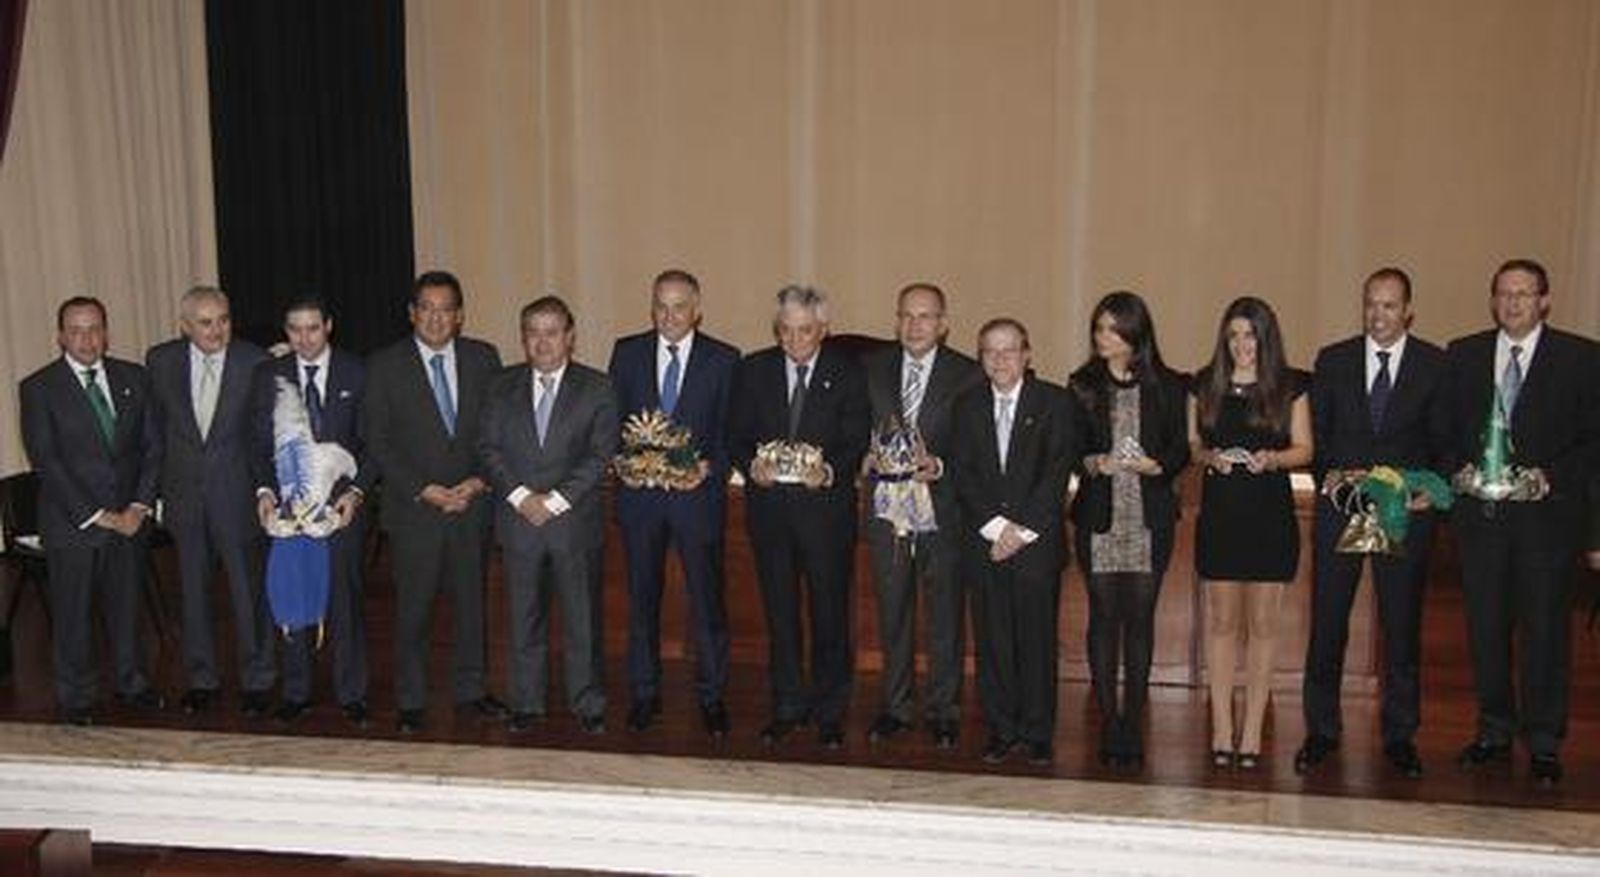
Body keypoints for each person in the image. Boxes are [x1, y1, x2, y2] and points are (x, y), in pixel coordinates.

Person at [1444, 258, 1599, 786]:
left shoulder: (1581, 359)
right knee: (1485, 631)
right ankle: (1492, 730)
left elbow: (1594, 443)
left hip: (1547, 526)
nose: (1512, 303)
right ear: (1493, 301)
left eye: (1524, 294)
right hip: (1481, 523)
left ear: (1544, 301)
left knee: (1545, 633)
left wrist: (1549, 477)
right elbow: (1442, 432)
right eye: (1503, 294)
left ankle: (1544, 740)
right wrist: (1455, 471)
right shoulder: (1463, 356)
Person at [1296, 268, 1449, 780]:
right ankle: (1321, 730)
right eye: (1370, 305)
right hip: (1342, 509)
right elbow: (1317, 434)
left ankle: (1400, 735)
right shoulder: (1334, 359)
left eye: (1388, 306)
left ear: (1408, 310)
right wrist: (1333, 477)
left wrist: (1430, 486)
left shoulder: (1433, 364)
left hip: (1401, 512)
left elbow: (1444, 439)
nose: (1378, 315)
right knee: (1328, 623)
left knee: (1400, 627)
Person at [365, 271, 508, 734]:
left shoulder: (484, 359)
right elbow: (378, 440)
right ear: (412, 313)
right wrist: (422, 488)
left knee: (471, 606)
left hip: (472, 505)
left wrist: (479, 481)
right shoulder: (384, 365)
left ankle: (471, 692)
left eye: (445, 308)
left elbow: (498, 429)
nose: (435, 317)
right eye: (426, 308)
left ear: (460, 315)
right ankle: (411, 699)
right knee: (414, 609)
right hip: (415, 510)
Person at [730, 286, 870, 750]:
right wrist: (752, 465)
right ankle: (787, 705)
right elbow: (735, 433)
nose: (795, 340)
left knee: (831, 615)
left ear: (824, 329)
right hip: (770, 515)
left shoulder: (848, 373)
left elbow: (855, 436)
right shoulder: (753, 370)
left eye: (805, 330)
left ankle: (831, 711)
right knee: (781, 615)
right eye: (785, 331)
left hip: (825, 517)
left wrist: (830, 471)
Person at [19, 296, 165, 725]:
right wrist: (101, 515)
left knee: (126, 607)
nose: (87, 338)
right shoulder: (38, 387)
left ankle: (132, 683)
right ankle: (77, 697)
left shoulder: (134, 378)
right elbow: (47, 461)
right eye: (77, 330)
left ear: (106, 331)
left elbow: (153, 448)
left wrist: (138, 506)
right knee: (73, 614)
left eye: (95, 328)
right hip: (74, 524)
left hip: (130, 520)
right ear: (61, 336)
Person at [607, 269, 739, 738]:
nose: (670, 315)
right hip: (640, 501)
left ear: (697, 308)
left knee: (707, 601)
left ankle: (712, 695)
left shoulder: (724, 360)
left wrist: (709, 468)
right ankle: (644, 694)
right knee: (641, 599)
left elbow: (730, 434)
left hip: (696, 501)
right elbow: (612, 423)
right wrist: (618, 462)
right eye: (661, 306)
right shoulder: (626, 353)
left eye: (679, 306)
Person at [480, 296, 618, 734]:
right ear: (523, 337)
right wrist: (522, 498)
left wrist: (554, 500)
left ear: (570, 336)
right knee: (523, 617)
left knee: (582, 620)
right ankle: (527, 702)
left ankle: (587, 702)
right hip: (519, 522)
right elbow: (486, 448)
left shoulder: (597, 387)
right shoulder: (500, 386)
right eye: (533, 332)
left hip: (573, 523)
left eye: (552, 331)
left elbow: (600, 455)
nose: (542, 342)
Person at [1189, 296, 1312, 770]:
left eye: (1251, 336)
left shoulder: (1291, 386)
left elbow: (1305, 448)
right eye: (1235, 335)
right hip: (1222, 514)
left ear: (1266, 338)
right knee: (1221, 624)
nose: (1242, 345)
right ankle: (1222, 727)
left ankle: (1253, 729)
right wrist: (1209, 456)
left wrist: (1273, 459)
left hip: (1269, 515)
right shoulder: (1204, 384)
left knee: (1263, 627)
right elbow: (1193, 445)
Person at [1067, 292, 1188, 769]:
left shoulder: (1170, 385)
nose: (1102, 338)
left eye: (1112, 330)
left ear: (1135, 336)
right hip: (1100, 514)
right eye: (1098, 328)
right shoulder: (1082, 385)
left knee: (1139, 620)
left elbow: (1181, 446)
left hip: (1148, 515)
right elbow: (1071, 446)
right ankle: (1107, 718)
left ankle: (1131, 722)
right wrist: (1096, 461)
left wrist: (1157, 465)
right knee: (1102, 617)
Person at [951, 318, 1077, 766]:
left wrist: (1019, 533)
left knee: (1037, 643)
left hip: (1036, 547)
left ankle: (1038, 732)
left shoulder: (1055, 403)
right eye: (990, 351)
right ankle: (1002, 729)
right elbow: (962, 476)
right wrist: (995, 529)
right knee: (994, 642)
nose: (1000, 359)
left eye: (1009, 350)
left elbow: (1056, 474)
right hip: (985, 546)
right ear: (981, 358)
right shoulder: (965, 407)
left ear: (1027, 354)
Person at [861, 282, 981, 750]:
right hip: (887, 512)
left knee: (945, 616)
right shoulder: (871, 369)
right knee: (892, 614)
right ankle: (894, 707)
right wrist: (862, 458)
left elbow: (974, 445)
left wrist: (942, 465)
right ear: (897, 321)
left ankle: (944, 711)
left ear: (944, 324)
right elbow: (856, 426)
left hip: (943, 510)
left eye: (926, 317)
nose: (915, 325)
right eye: (907, 316)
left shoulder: (968, 375)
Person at [145, 286, 275, 717]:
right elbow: (155, 433)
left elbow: (264, 437)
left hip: (238, 497)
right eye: (205, 322)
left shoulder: (255, 361)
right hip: (184, 498)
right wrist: (156, 494)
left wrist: (264, 490)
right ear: (184, 326)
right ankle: (201, 679)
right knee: (193, 593)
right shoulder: (160, 361)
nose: (216, 330)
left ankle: (258, 679)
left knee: (247, 592)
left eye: (223, 319)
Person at [251, 298, 374, 725]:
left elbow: (373, 442)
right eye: (295, 330)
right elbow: (256, 444)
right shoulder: (269, 376)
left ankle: (352, 692)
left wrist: (356, 492)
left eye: (313, 329)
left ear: (329, 326)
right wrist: (265, 491)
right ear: (286, 331)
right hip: (287, 511)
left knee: (344, 599)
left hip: (341, 511)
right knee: (292, 594)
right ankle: (297, 690)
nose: (304, 338)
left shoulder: (357, 372)